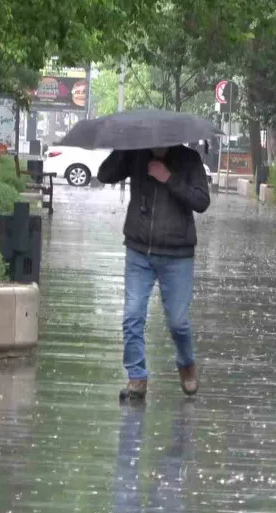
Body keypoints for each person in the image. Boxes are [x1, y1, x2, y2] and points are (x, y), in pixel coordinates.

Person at [97, 145, 211, 402]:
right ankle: (136, 376)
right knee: (132, 315)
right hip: (139, 251)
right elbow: (104, 175)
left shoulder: (189, 159)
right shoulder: (135, 154)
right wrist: (123, 148)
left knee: (178, 322)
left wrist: (168, 177)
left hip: (178, 253)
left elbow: (202, 201)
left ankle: (186, 363)